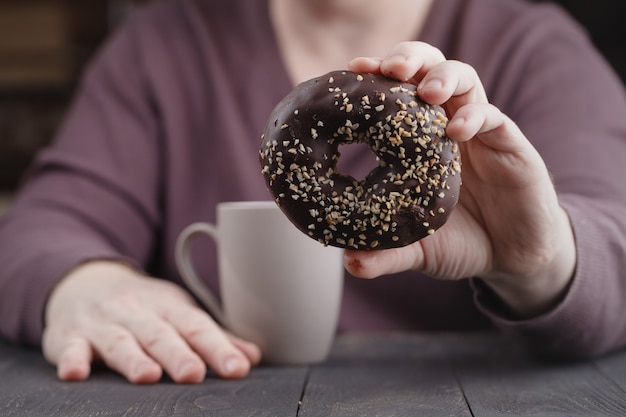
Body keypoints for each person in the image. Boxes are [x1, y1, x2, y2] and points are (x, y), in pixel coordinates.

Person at [1, 0, 625, 385]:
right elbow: (42, 227)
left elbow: (615, 240)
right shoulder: (160, 48)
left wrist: (541, 260)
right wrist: (85, 283)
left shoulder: (536, 49)